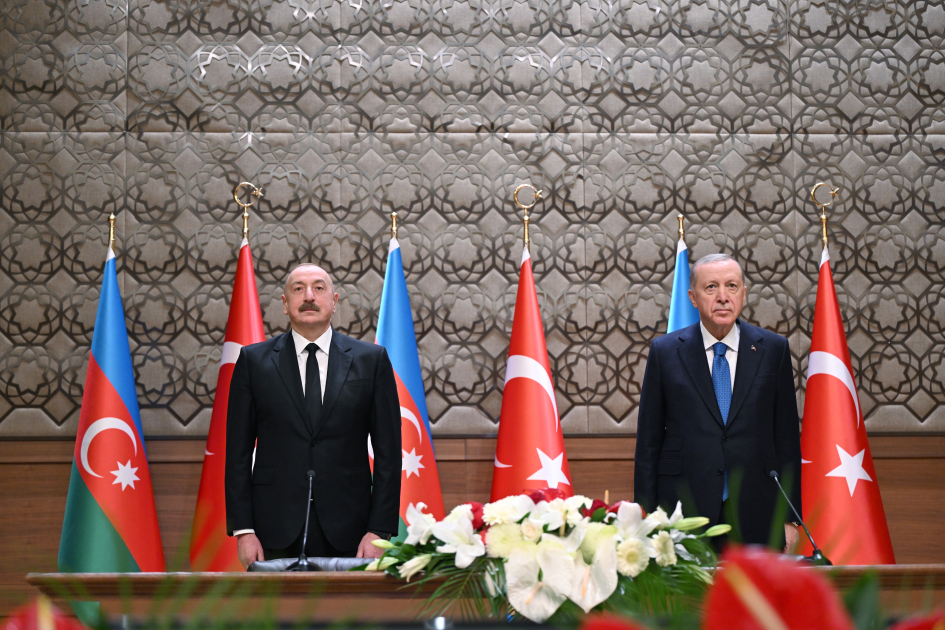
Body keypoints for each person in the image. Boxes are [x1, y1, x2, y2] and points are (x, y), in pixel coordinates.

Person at [225, 263, 401, 567]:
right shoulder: (253, 362)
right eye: (298, 289)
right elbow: (237, 452)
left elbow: (388, 453)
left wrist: (378, 530)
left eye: (319, 288)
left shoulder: (371, 361)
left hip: (352, 529)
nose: (309, 296)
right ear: (284, 304)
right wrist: (244, 529)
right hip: (273, 529)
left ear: (334, 302)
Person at [634, 253, 801, 552]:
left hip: (757, 509)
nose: (723, 297)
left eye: (732, 286)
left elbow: (786, 440)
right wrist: (645, 517)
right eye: (711, 287)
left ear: (744, 294)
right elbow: (648, 443)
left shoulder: (773, 349)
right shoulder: (665, 352)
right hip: (682, 511)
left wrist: (790, 518)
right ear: (693, 297)